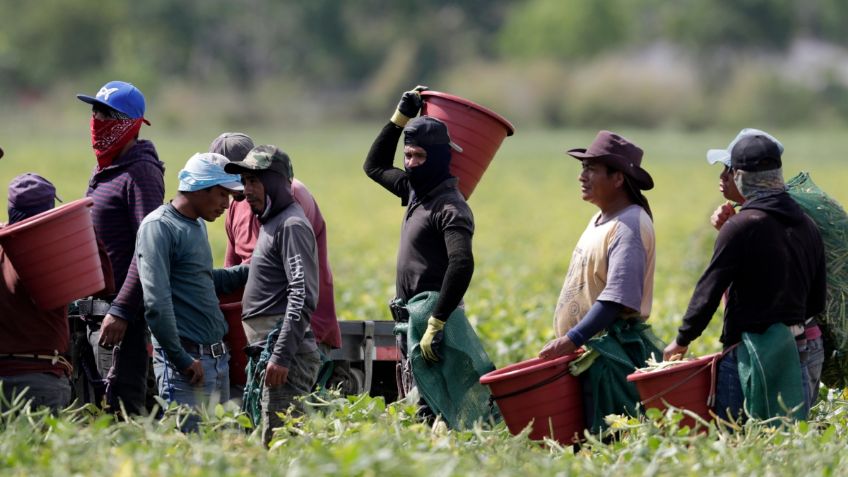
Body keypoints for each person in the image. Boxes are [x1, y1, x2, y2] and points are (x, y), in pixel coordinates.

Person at [664, 133, 826, 421]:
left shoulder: (740, 227)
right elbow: (816, 299)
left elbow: (709, 288)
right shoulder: (807, 225)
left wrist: (683, 338)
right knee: (788, 442)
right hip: (797, 351)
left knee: (740, 439)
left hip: (748, 356)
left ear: (739, 176)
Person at [538, 130, 661, 431]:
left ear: (618, 178)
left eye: (591, 169)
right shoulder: (602, 219)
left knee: (608, 442)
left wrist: (572, 339)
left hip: (609, 356)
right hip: (588, 354)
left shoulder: (629, 225)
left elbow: (616, 298)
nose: (582, 176)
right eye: (583, 168)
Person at [363, 86, 474, 388]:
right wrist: (400, 119)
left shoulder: (451, 207)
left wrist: (437, 323)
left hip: (435, 320)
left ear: (438, 158)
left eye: (419, 156)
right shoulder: (415, 192)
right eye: (408, 155)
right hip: (411, 318)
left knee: (433, 404)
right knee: (412, 397)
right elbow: (374, 166)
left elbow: (461, 263)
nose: (410, 163)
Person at [706, 129, 825, 409]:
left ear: (744, 174)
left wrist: (683, 339)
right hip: (803, 341)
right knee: (787, 435)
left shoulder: (764, 225)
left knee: (754, 434)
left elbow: (727, 292)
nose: (722, 178)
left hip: (779, 346)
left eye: (729, 169)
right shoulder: (791, 218)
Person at [76, 80, 165, 414]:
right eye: (95, 111)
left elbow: (148, 248)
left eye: (108, 114)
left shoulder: (141, 173)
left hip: (124, 316)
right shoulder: (105, 170)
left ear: (131, 124)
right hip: (100, 312)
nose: (97, 120)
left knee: (124, 407)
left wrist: (123, 310)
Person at [223, 145, 321, 447]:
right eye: (245, 181)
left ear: (276, 182)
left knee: (281, 444)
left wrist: (280, 355)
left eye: (255, 181)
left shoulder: (291, 225)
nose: (246, 190)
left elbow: (301, 295)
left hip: (283, 356)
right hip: (268, 352)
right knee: (268, 439)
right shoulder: (271, 222)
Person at [136, 153, 248, 412]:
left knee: (219, 447)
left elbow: (203, 281)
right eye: (222, 195)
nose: (226, 205)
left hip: (217, 360)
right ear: (200, 187)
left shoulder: (196, 224)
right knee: (191, 446)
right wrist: (181, 358)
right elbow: (156, 303)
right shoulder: (159, 227)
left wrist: (253, 269)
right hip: (188, 365)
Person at [211, 132, 342, 355]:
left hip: (297, 332)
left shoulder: (286, 200)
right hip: (263, 332)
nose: (242, 189)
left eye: (250, 179)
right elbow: (233, 266)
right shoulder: (237, 205)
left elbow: (287, 281)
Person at [1, 174, 114, 411]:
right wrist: (86, 231)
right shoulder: (53, 253)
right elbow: (105, 284)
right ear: (49, 209)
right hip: (40, 377)